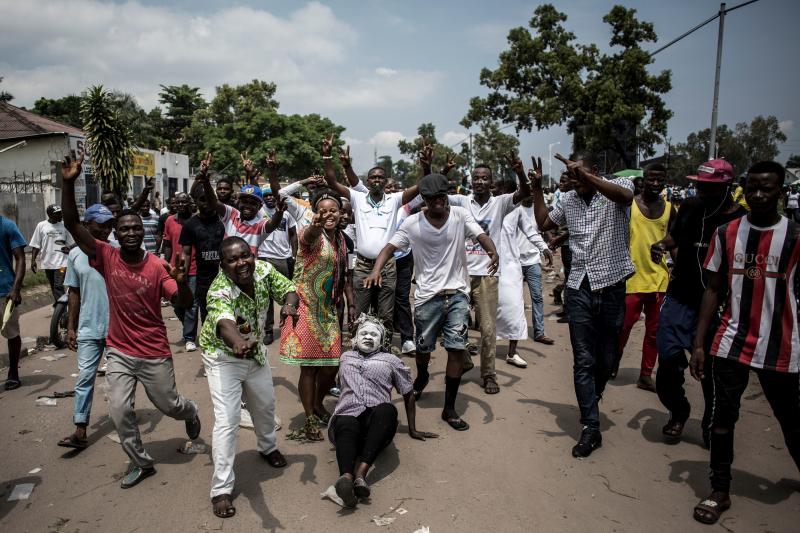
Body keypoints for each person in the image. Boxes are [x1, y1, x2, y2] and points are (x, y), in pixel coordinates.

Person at [60, 151, 201, 489]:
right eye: (124, 228)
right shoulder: (105, 256)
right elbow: (71, 224)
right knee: (119, 411)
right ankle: (141, 462)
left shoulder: (156, 266)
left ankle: (191, 410)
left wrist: (181, 282)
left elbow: (183, 302)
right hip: (120, 351)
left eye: (136, 227)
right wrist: (68, 184)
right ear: (116, 234)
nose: (131, 232)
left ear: (143, 231)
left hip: (153, 352)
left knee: (170, 405)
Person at [689, 161, 800, 525]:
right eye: (751, 187)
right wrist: (700, 342)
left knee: (791, 419)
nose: (757, 195)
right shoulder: (727, 233)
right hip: (731, 342)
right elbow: (713, 289)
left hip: (781, 346)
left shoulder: (796, 237)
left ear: (781, 193)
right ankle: (719, 489)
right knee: (723, 419)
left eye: (766, 189)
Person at [365, 173, 499, 431]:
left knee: (456, 348)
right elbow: (388, 248)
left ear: (446, 196)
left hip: (458, 292)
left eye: (442, 197)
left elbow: (481, 235)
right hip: (427, 297)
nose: (438, 202)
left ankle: (449, 408)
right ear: (424, 200)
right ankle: (423, 375)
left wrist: (492, 250)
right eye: (432, 198)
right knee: (423, 349)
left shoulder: (460, 215)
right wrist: (376, 270)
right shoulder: (412, 223)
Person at [531, 152, 634, 458]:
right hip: (579, 287)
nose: (575, 179)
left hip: (613, 284)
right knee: (584, 360)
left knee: (607, 358)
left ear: (595, 171)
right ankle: (591, 426)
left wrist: (586, 176)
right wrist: (536, 188)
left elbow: (626, 196)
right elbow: (543, 222)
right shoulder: (568, 199)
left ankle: (594, 392)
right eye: (572, 175)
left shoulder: (618, 186)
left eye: (580, 173)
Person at [200, 236, 298, 519]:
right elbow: (224, 324)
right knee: (228, 420)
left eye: (245, 256)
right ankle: (221, 489)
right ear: (222, 264)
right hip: (223, 357)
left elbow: (288, 290)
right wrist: (237, 343)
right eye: (232, 259)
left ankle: (267, 447)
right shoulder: (219, 290)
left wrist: (290, 306)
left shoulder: (264, 270)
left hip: (254, 353)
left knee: (265, 406)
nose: (241, 263)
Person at [650, 160, 746, 445]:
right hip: (680, 296)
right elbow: (674, 237)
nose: (701, 190)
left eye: (709, 187)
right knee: (667, 362)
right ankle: (678, 411)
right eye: (700, 185)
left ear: (727, 187)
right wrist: (662, 245)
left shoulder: (739, 220)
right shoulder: (690, 207)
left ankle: (711, 424)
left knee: (711, 373)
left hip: (719, 306)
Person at [422, 150, 531, 394]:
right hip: (459, 274)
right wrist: (433, 169)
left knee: (488, 328)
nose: (480, 181)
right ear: (472, 181)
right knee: (449, 323)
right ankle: (466, 362)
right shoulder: (461, 201)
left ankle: (489, 375)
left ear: (491, 182)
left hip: (487, 275)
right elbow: (434, 191)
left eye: (484, 178)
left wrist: (520, 172)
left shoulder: (501, 202)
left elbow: (525, 193)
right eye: (476, 178)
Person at [322, 136, 421, 348]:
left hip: (387, 266)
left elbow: (420, 186)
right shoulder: (358, 198)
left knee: (386, 313)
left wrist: (425, 165)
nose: (376, 180)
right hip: (363, 265)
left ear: (386, 182)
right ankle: (358, 351)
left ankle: (382, 351)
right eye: (373, 178)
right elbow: (331, 181)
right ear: (367, 182)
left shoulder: (395, 200)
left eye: (380, 178)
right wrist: (327, 156)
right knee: (360, 311)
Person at [329, 314, 438, 508]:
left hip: (377, 425)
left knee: (387, 410)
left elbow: (408, 393)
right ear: (354, 338)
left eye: (374, 334)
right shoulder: (345, 357)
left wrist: (412, 428)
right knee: (345, 420)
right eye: (364, 333)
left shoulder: (391, 360)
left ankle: (361, 475)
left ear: (381, 340)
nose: (368, 337)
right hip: (348, 419)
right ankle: (345, 477)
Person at [279, 187, 349, 441]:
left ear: (340, 213)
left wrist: (350, 305)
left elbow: (344, 275)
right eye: (323, 211)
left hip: (328, 309)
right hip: (306, 308)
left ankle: (319, 404)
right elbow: (308, 237)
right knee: (309, 368)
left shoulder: (341, 239)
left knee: (331, 365)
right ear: (315, 213)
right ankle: (309, 418)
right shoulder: (310, 235)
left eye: (333, 211)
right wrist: (315, 226)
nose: (329, 215)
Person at [57, 204, 114, 449]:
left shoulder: (118, 250)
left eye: (109, 225)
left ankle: (126, 416)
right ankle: (80, 429)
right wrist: (71, 326)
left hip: (117, 328)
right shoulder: (75, 255)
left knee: (120, 378)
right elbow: (74, 292)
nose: (106, 230)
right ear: (86, 225)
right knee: (85, 377)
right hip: (89, 327)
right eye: (100, 224)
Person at [615, 164, 675, 391]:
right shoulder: (630, 204)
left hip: (659, 278)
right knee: (623, 326)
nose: (656, 183)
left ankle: (646, 374)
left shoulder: (670, 208)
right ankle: (614, 361)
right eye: (652, 178)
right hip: (631, 277)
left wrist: (672, 256)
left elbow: (674, 237)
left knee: (654, 331)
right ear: (645, 179)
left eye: (660, 179)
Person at [496, 193, 553, 367]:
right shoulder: (499, 210)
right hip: (503, 265)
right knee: (496, 304)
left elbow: (533, 232)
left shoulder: (529, 212)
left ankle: (532, 337)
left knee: (525, 302)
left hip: (527, 262)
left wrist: (544, 247)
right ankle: (491, 342)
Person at [179, 183, 226, 322]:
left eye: (209, 199)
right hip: (203, 279)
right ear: (196, 202)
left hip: (226, 277)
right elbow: (186, 253)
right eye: (202, 199)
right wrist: (184, 275)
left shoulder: (225, 220)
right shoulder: (190, 225)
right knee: (207, 315)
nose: (206, 203)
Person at [257, 187, 298, 345]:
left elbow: (293, 234)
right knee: (266, 296)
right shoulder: (259, 212)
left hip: (284, 257)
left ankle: (290, 325)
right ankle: (268, 330)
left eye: (271, 195)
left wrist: (294, 255)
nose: (269, 198)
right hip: (265, 256)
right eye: (265, 196)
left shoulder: (286, 214)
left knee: (289, 293)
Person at [162, 192, 199, 352]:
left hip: (194, 269)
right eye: (178, 202)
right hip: (174, 270)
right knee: (176, 304)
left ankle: (189, 337)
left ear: (190, 203)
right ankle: (188, 328)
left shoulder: (197, 220)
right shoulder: (170, 220)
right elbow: (168, 244)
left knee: (191, 304)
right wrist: (163, 262)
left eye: (184, 202)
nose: (181, 205)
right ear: (174, 204)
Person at [518, 192, 555, 346]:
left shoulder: (537, 211)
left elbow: (541, 229)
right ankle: (514, 329)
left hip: (533, 260)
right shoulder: (514, 210)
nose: (531, 195)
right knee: (514, 298)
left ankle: (539, 332)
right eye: (528, 191)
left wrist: (546, 246)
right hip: (515, 261)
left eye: (534, 192)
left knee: (537, 297)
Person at [0, 214, 26, 390]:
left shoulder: (8, 226)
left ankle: (13, 372)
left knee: (12, 334)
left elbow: (20, 258)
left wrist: (16, 288)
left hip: (5, 291)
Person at [29, 204, 74, 301]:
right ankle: (60, 308)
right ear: (50, 215)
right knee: (54, 287)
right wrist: (33, 261)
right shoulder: (41, 226)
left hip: (62, 263)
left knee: (58, 286)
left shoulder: (64, 226)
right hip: (48, 263)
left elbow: (72, 243)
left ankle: (63, 310)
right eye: (57, 214)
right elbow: (36, 245)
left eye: (61, 213)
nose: (60, 215)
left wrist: (69, 248)